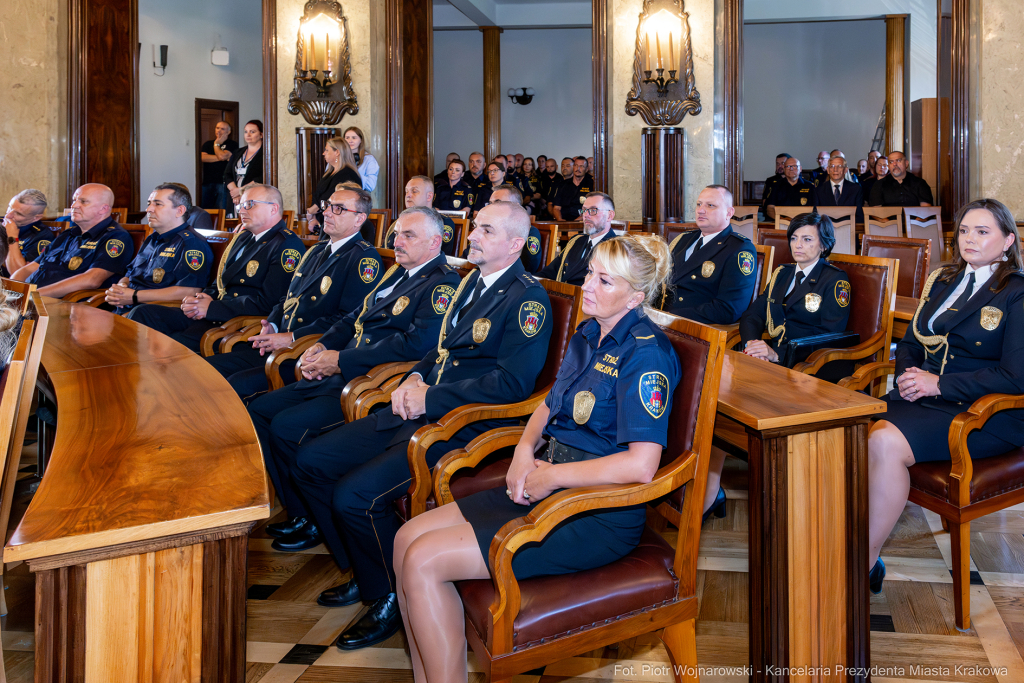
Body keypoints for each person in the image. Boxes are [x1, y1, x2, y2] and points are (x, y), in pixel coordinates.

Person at [393, 233, 681, 681]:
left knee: (424, 561)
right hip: (546, 482)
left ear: (636, 296)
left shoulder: (646, 355)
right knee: (404, 540)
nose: (588, 286)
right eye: (590, 274)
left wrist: (553, 477)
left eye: (605, 281)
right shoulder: (590, 331)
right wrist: (523, 452)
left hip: (595, 510)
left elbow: (641, 466)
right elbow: (548, 405)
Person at [290, 201, 552, 650]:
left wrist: (429, 395)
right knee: (312, 460)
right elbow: (443, 350)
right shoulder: (473, 280)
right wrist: (415, 376)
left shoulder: (527, 297)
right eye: (476, 229)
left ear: (515, 244)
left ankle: (390, 595)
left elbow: (511, 383)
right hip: (421, 407)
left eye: (486, 231)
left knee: (354, 496)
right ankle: (368, 568)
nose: (470, 236)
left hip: (462, 427)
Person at [250, 206, 460, 551]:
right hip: (343, 368)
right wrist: (322, 345)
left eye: (409, 235)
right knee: (260, 410)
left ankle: (324, 527)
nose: (397, 241)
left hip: (368, 381)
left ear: (435, 242)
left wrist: (341, 360)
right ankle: (304, 512)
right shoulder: (396, 272)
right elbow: (354, 317)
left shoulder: (442, 283)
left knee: (288, 428)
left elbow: (416, 344)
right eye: (396, 233)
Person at [866, 198, 1024, 594]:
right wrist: (906, 376)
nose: (970, 239)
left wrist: (938, 383)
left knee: (884, 441)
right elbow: (909, 342)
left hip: (986, 413)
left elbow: (1015, 376)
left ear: (1007, 241)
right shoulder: (943, 280)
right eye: (965, 230)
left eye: (983, 231)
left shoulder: (1015, 292)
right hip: (927, 399)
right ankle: (845, 536)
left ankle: (861, 560)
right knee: (844, 422)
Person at [205, 188, 382, 398]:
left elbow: (347, 319)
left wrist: (292, 337)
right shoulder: (317, 250)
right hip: (280, 342)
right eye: (327, 206)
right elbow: (289, 298)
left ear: (359, 218)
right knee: (208, 368)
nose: (326, 213)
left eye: (338, 209)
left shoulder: (363, 259)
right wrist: (271, 324)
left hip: (306, 352)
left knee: (237, 384)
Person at [127, 184, 305, 352]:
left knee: (169, 345)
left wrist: (212, 308)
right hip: (216, 312)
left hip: (239, 323)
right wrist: (200, 299)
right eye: (241, 205)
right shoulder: (244, 238)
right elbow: (221, 281)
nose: (241, 211)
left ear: (273, 208)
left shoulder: (286, 245)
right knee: (143, 314)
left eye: (249, 205)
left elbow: (269, 302)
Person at [739, 212, 852, 366]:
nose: (798, 245)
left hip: (805, 366)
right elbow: (753, 315)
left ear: (824, 245)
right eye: (794, 238)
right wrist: (753, 346)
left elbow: (829, 336)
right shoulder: (781, 273)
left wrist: (777, 355)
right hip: (769, 360)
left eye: (807, 239)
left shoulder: (835, 280)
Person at [104, 184, 213, 313]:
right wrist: (121, 288)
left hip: (153, 313)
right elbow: (130, 274)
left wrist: (133, 296)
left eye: (158, 204)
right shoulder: (152, 239)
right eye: (149, 203)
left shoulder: (191, 243)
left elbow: (189, 291)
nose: (149, 209)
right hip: (127, 307)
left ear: (180, 211)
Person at [11, 183, 133, 298]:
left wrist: (33, 295)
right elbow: (29, 268)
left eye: (83, 202)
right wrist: (10, 289)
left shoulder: (116, 237)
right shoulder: (68, 234)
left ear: (103, 209)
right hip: (34, 298)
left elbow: (92, 280)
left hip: (66, 305)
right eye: (74, 200)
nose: (74, 206)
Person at [661, 185, 757, 324]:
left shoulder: (739, 249)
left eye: (710, 205)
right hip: (662, 321)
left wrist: (671, 317)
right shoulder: (683, 240)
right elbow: (660, 284)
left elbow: (729, 309)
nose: (700, 210)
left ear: (729, 213)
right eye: (699, 204)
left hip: (694, 328)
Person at [538, 191, 617, 285]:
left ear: (610, 215)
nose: (586, 215)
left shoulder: (616, 249)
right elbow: (549, 272)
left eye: (593, 210)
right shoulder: (576, 240)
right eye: (584, 210)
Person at [461, 185, 543, 273]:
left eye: (498, 203)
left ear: (516, 206)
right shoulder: (482, 228)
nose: (491, 207)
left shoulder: (529, 232)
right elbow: (465, 258)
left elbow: (528, 267)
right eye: (490, 203)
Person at [384, 177, 459, 255]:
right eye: (406, 191)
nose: (408, 195)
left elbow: (437, 257)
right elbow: (386, 252)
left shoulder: (442, 222)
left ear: (429, 196)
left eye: (414, 191)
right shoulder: (399, 222)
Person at [305, 136, 362, 235]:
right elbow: (316, 197)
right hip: (321, 223)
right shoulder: (329, 173)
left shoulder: (347, 174)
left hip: (337, 226)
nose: (323, 153)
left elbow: (327, 199)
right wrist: (313, 219)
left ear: (337, 152)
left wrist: (310, 212)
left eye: (327, 150)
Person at [4, 189, 55, 276]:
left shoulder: (42, 236)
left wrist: (11, 237)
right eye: (10, 207)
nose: (8, 215)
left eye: (18, 214)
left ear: (36, 218)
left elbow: (19, 275)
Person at [868, 151, 933, 206]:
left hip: (914, 221)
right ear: (888, 166)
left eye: (898, 160)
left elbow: (926, 211)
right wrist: (890, 221)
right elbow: (876, 211)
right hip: (888, 221)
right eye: (891, 162)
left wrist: (913, 221)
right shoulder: (879, 185)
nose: (895, 164)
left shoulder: (920, 183)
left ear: (906, 163)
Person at [225, 120, 264, 210]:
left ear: (261, 135)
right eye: (246, 132)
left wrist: (241, 190)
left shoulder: (266, 154)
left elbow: (262, 178)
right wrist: (235, 192)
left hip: (254, 198)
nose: (248, 135)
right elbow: (227, 174)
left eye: (252, 132)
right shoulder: (238, 152)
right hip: (235, 199)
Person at [200, 121, 238, 211]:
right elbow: (202, 158)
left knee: (221, 210)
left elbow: (223, 156)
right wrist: (221, 157)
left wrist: (217, 145)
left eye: (222, 129)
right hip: (207, 182)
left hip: (223, 182)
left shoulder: (232, 144)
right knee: (205, 210)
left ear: (228, 132)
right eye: (217, 128)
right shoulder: (207, 144)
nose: (219, 131)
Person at [813, 156, 864, 222]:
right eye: (832, 166)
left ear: (845, 170)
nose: (835, 169)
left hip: (848, 229)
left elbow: (859, 216)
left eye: (839, 166)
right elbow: (815, 215)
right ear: (828, 170)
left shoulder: (856, 189)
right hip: (826, 230)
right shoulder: (819, 190)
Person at [551, 156, 594, 221]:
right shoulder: (563, 184)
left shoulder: (591, 184)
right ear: (573, 167)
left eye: (581, 166)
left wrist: (577, 221)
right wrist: (560, 220)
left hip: (583, 221)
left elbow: (593, 208)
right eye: (576, 165)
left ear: (587, 169)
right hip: (564, 221)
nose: (578, 168)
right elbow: (556, 208)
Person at [344, 126, 379, 193]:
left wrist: (353, 174)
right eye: (347, 138)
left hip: (359, 197)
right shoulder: (338, 157)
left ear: (360, 140)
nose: (350, 141)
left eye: (354, 138)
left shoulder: (369, 159)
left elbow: (371, 185)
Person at [759, 153, 790, 219]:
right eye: (777, 164)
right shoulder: (770, 181)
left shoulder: (794, 181)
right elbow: (765, 202)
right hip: (772, 216)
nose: (780, 166)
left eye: (783, 163)